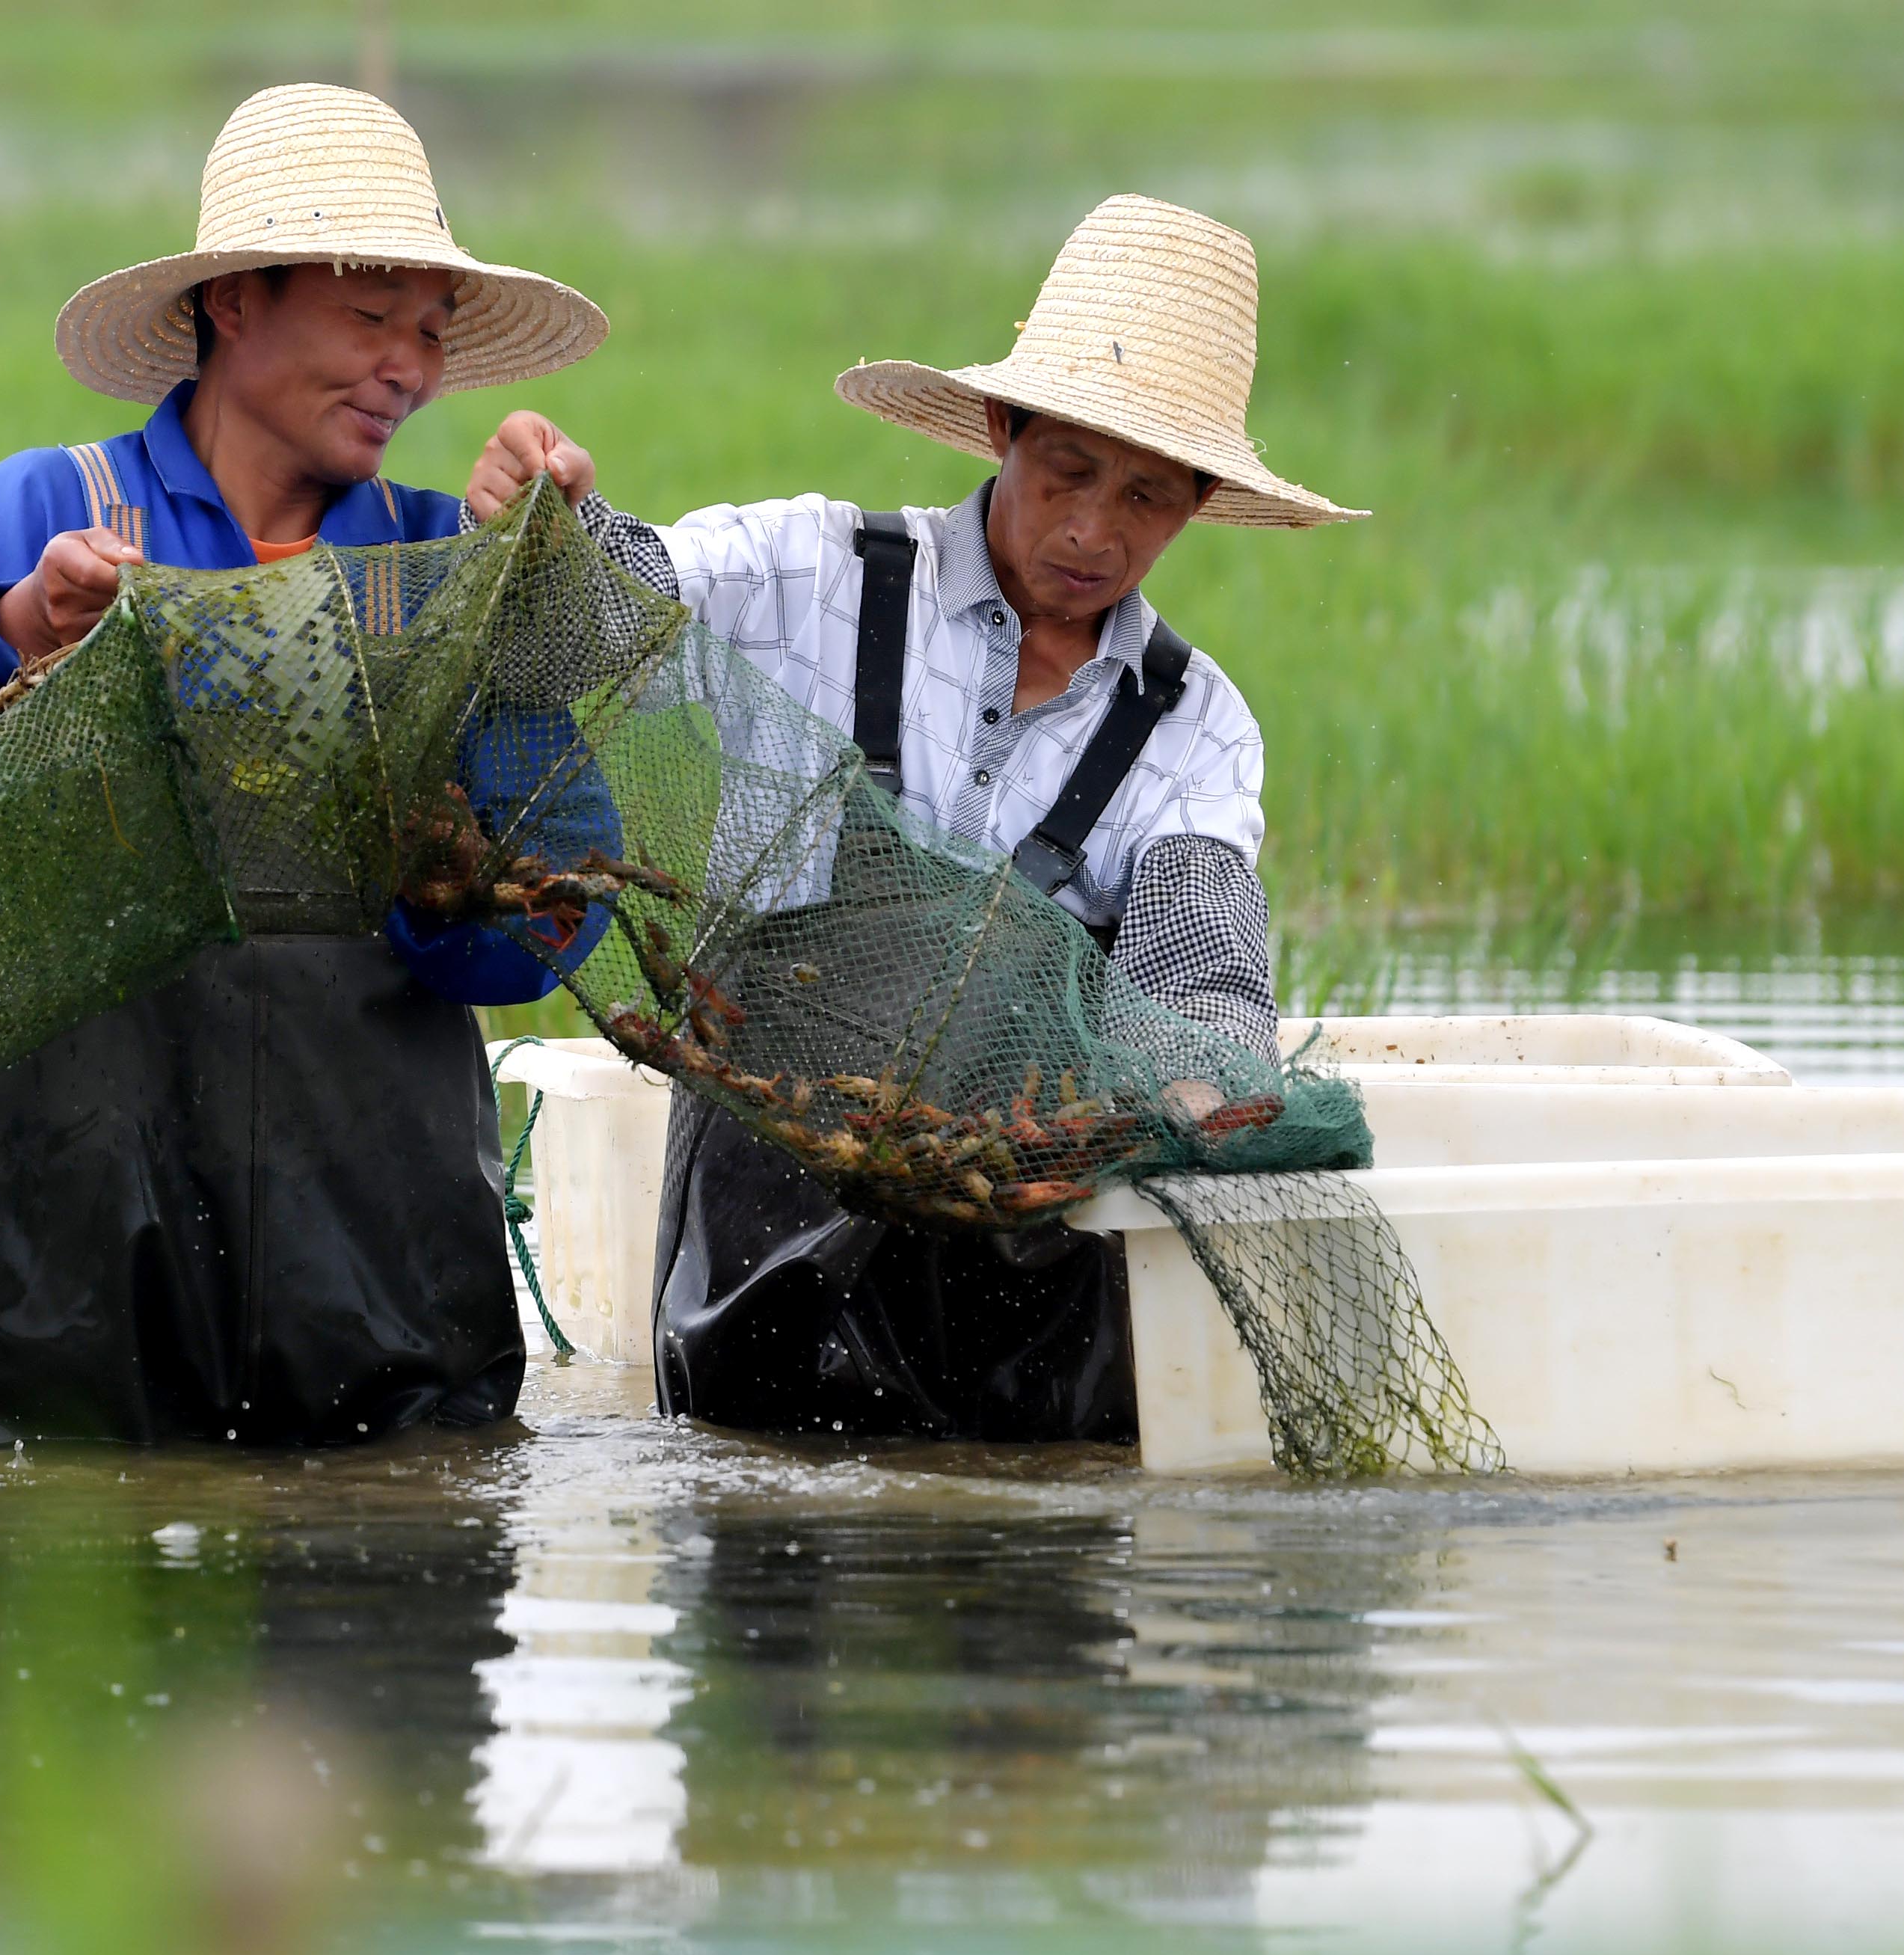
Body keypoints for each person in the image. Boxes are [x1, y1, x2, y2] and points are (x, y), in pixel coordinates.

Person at [470, 194, 1351, 1445]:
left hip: (1022, 1253)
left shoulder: (1196, 727)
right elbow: (595, 614)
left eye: (1149, 497)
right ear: (1001, 429)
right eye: (1070, 472)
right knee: (753, 1528)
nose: (1097, 531)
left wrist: (1204, 1077)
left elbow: (1198, 958)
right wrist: (537, 522)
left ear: (1201, 501)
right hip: (763, 1214)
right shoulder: (810, 576)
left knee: (1026, 1554)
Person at [0, 85, 610, 1449]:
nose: (407, 368)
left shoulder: (440, 569)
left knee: (385, 1620)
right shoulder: (48, 515)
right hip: (55, 1286)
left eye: (429, 331)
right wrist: (19, 634)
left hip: (378, 1298)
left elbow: (552, 916)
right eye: (369, 318)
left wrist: (518, 624)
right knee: (55, 1589)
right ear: (234, 301)